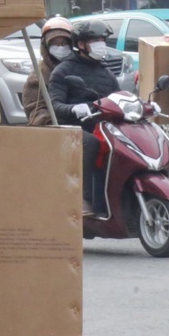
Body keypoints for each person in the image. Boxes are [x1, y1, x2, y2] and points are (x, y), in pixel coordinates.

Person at [49, 21, 121, 216]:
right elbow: (55, 106)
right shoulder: (64, 71)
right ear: (81, 44)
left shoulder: (106, 73)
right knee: (90, 143)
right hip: (73, 129)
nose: (100, 44)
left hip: (104, 128)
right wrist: (74, 109)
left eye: (102, 40)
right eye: (95, 40)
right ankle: (83, 197)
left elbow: (119, 98)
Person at [19, 17, 76, 128]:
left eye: (65, 43)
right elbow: (34, 109)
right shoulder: (38, 76)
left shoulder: (80, 67)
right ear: (46, 46)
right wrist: (51, 122)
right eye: (55, 43)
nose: (60, 48)